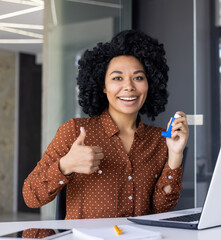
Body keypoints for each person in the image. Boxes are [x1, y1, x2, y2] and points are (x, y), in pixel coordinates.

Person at [23, 29, 189, 219]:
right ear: (103, 86)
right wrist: (65, 165)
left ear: (149, 84)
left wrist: (175, 154)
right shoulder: (75, 131)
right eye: (117, 78)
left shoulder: (160, 140)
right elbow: (31, 196)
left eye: (138, 77)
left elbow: (160, 210)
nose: (129, 86)